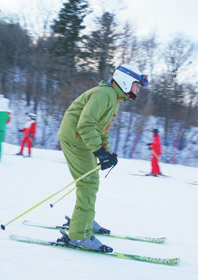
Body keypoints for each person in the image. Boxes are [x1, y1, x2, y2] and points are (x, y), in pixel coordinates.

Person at [57, 64, 148, 252]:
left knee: (90, 182)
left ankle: (82, 220)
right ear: (124, 81)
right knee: (88, 184)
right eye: (136, 85)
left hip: (81, 139)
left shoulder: (113, 98)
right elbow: (85, 124)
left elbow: (100, 130)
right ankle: (79, 234)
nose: (138, 89)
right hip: (76, 139)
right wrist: (99, 151)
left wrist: (107, 152)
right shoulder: (104, 95)